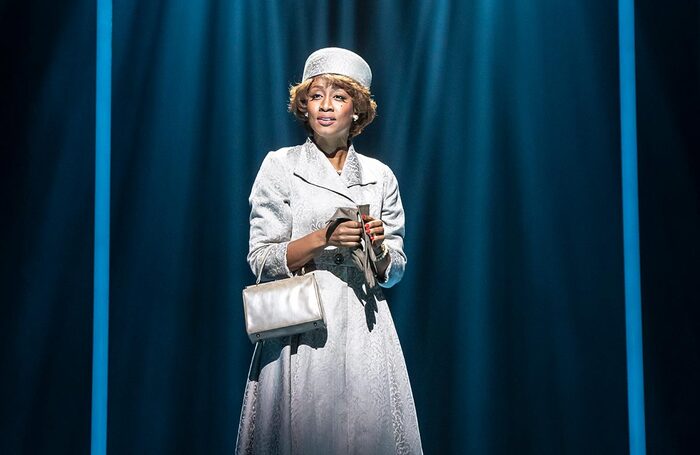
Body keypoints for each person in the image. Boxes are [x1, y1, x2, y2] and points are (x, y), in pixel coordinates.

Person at [236, 47, 422, 455]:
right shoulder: (281, 166)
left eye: (338, 96)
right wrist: (324, 236)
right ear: (303, 105)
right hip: (301, 328)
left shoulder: (378, 175)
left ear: (357, 109)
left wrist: (379, 249)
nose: (325, 105)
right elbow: (261, 259)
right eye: (315, 95)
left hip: (364, 325)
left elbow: (397, 268)